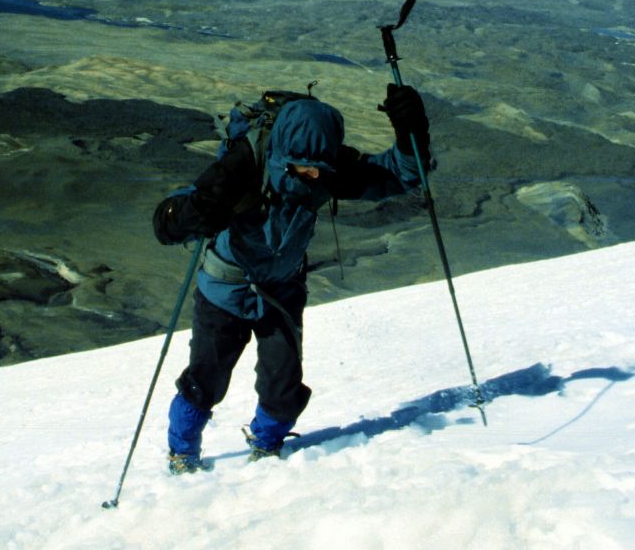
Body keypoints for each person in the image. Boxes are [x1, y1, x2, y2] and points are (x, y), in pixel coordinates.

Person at [151, 83, 432, 474]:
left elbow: (401, 174)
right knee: (205, 381)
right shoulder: (245, 162)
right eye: (304, 167)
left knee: (282, 386)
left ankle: (266, 447)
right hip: (224, 288)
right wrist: (186, 215)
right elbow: (171, 219)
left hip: (281, 288)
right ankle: (182, 453)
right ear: (284, 155)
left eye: (321, 168)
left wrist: (411, 131)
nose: (314, 174)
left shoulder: (325, 166)